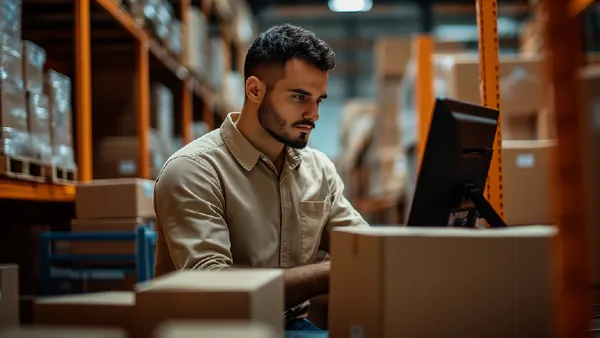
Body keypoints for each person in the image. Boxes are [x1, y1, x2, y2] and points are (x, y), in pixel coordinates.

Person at [153, 23, 369, 331]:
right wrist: (328, 273)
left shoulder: (318, 170)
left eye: (318, 99)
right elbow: (212, 289)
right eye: (299, 97)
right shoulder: (193, 170)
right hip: (209, 330)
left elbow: (362, 245)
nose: (314, 114)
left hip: (290, 326)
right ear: (255, 90)